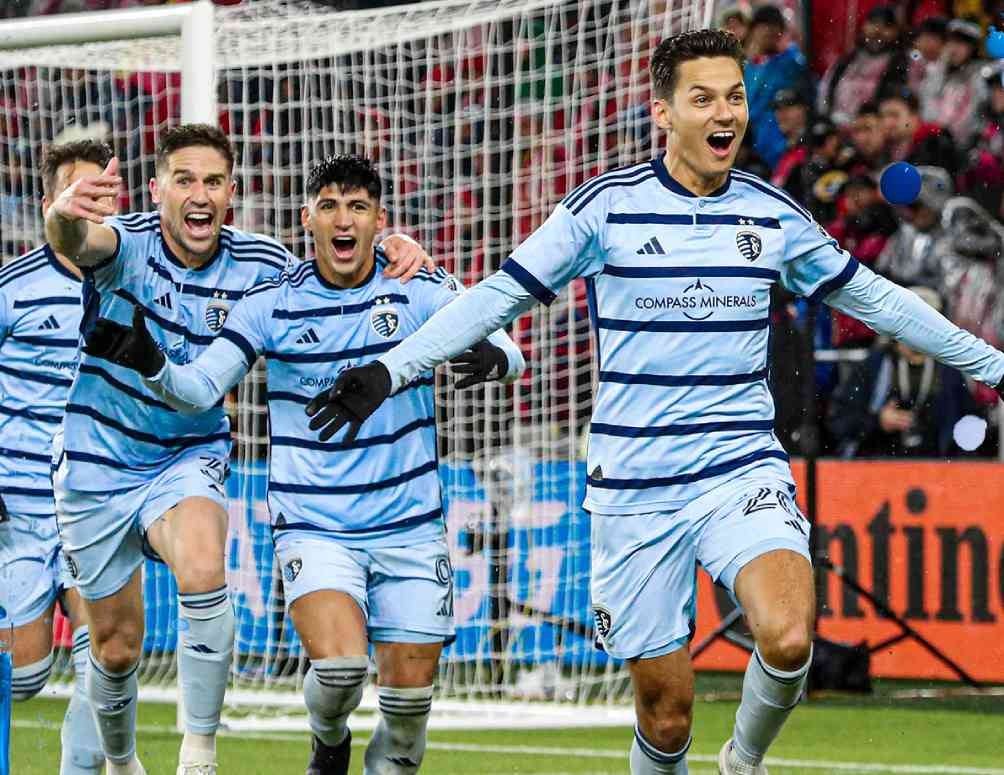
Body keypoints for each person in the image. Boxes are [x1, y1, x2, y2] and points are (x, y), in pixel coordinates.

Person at [298, 30, 1004, 774]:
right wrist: (392, 369)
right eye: (702, 98)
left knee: (789, 636)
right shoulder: (606, 209)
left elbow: (882, 300)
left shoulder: (769, 215)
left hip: (739, 470)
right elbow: (501, 294)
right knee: (666, 719)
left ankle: (743, 761)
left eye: (734, 95)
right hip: (634, 488)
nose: (724, 111)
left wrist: (994, 364)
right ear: (662, 112)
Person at [77, 153, 525, 775]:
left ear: (380, 221)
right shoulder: (270, 304)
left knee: (407, 711)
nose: (345, 222)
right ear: (306, 218)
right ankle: (328, 738)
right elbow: (203, 389)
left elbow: (503, 335)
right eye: (331, 207)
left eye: (359, 208)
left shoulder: (418, 286)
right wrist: (150, 359)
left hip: (412, 527)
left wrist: (497, 360)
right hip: (315, 526)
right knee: (339, 670)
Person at [0, 140, 114, 775]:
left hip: (96, 502)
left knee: (106, 653)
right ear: (51, 206)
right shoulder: (12, 287)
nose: (93, 206)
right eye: (80, 193)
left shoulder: (131, 282)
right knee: (20, 674)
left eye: (103, 193)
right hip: (16, 503)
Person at [827, 288, 985, 458]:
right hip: (880, 468)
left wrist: (956, 454)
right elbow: (839, 422)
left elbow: (975, 425)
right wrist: (877, 421)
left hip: (938, 471)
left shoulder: (949, 370)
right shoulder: (875, 366)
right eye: (911, 324)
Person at [741, 4, 811, 168]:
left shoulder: (791, 63)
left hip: (776, 144)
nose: (769, 33)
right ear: (753, 31)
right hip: (748, 143)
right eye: (764, 28)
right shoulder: (748, 66)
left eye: (774, 29)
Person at [816, 5, 909, 127]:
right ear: (864, 26)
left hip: (873, 132)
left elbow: (896, 106)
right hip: (835, 128)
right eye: (874, 23)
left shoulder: (900, 64)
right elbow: (824, 94)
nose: (878, 31)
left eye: (886, 26)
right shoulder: (847, 60)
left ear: (896, 32)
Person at [878, 89, 958, 174]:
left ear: (914, 116)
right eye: (882, 116)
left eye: (894, 115)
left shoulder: (936, 145)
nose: (887, 123)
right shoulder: (881, 150)